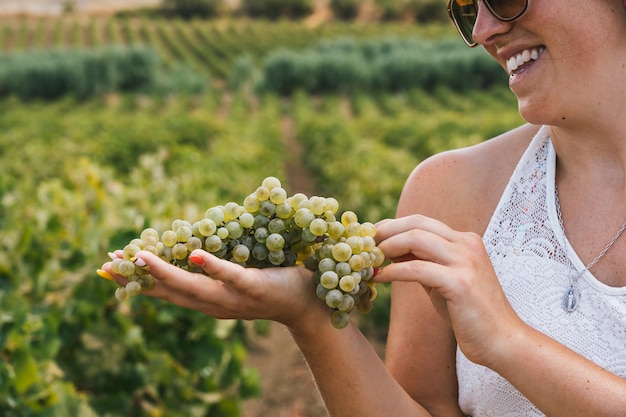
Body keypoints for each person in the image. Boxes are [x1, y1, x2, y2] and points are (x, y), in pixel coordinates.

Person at [101, 0, 626, 415]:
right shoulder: (450, 190)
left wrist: (509, 343)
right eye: (467, 8)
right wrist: (308, 316)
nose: (485, 30)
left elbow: (506, 346)